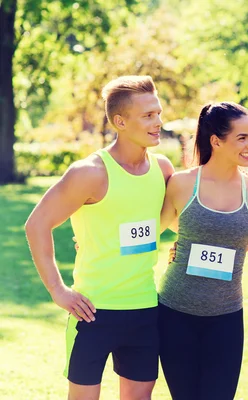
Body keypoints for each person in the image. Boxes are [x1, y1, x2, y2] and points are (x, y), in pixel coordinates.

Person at [24, 75, 174, 400]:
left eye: (158, 113)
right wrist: (57, 290)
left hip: (145, 309)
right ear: (120, 121)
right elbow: (37, 224)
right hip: (93, 312)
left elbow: (158, 223)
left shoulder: (162, 169)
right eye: (148, 115)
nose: (158, 122)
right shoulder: (90, 173)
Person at [157, 101, 248, 400]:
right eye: (242, 137)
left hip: (226, 318)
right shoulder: (182, 184)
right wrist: (95, 238)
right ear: (216, 141)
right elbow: (151, 230)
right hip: (175, 313)